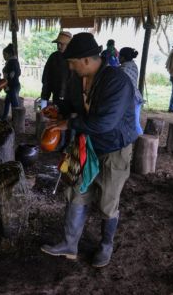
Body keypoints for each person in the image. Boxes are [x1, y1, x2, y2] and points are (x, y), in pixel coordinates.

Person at [41, 33, 138, 268]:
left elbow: (105, 123)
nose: (70, 68)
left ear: (85, 60)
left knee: (107, 201)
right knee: (76, 192)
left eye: (72, 62)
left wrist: (69, 123)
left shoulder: (116, 81)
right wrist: (59, 111)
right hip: (87, 144)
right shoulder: (78, 79)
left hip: (114, 148)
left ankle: (105, 246)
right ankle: (69, 243)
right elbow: (73, 105)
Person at [40, 31, 73, 112]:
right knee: (56, 119)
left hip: (71, 98)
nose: (58, 46)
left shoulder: (74, 59)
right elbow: (47, 78)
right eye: (57, 43)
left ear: (69, 45)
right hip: (57, 97)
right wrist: (44, 98)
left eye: (61, 44)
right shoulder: (53, 57)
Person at [119, 47, 143, 135]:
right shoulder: (133, 65)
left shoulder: (123, 68)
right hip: (136, 96)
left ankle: (142, 145)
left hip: (132, 98)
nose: (118, 58)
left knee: (135, 124)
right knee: (134, 122)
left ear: (123, 57)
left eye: (119, 56)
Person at [0, 43, 21, 121]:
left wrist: (8, 86)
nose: (3, 56)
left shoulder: (13, 62)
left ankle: (17, 119)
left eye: (4, 54)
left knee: (14, 104)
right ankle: (4, 117)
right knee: (7, 102)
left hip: (13, 86)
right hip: (12, 86)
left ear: (9, 54)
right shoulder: (11, 61)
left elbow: (16, 74)